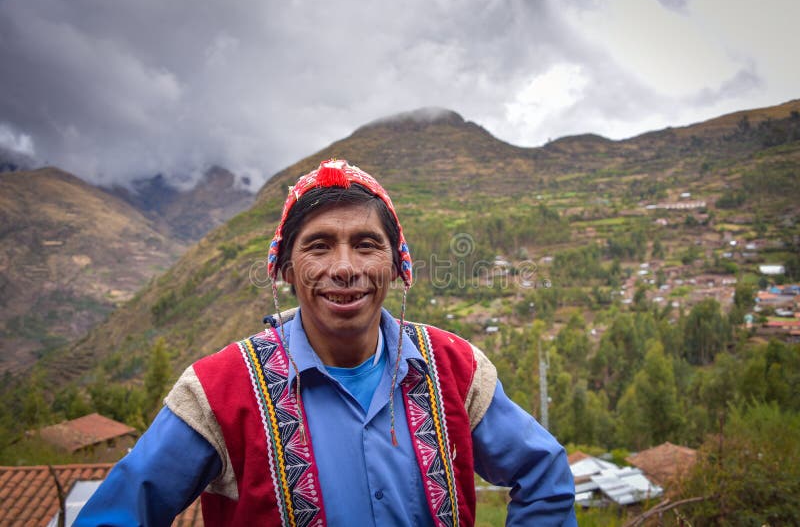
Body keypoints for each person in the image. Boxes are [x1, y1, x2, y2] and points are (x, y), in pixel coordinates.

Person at [76, 159, 577, 526]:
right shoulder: (219, 391)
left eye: (366, 244)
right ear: (287, 270)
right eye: (318, 245)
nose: (344, 268)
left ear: (397, 267)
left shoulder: (453, 368)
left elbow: (543, 472)